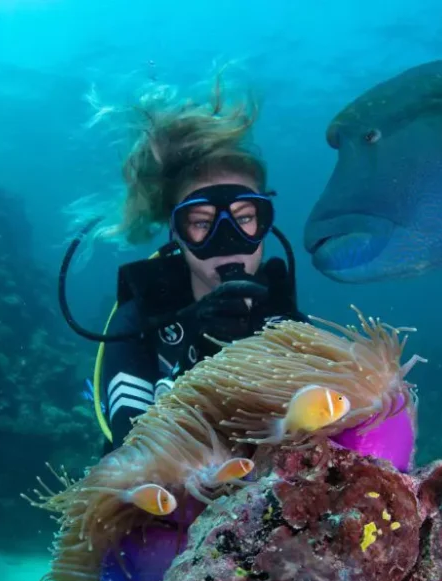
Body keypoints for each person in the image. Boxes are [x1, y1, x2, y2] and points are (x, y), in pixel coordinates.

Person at [91, 77, 305, 450]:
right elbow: (134, 451)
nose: (227, 241)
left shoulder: (284, 315)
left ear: (264, 221)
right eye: (202, 223)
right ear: (177, 234)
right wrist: (202, 349)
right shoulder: (141, 318)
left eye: (244, 217)